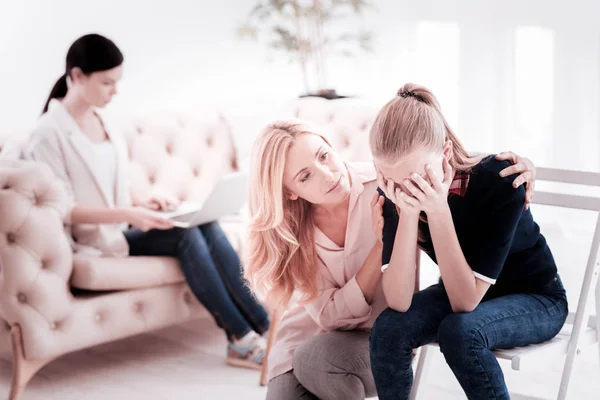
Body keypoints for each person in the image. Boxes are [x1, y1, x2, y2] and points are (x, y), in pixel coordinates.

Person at [23, 33, 269, 369]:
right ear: (77, 76)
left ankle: (266, 327)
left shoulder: (102, 119)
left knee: (203, 222)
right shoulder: (47, 133)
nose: (115, 91)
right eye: (107, 82)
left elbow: (112, 184)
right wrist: (128, 213)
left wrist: (145, 200)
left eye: (117, 82)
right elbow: (62, 208)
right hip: (94, 240)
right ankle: (240, 338)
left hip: (124, 224)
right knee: (186, 235)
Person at [245, 119, 537, 399]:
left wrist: (515, 165)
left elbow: (438, 158)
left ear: (330, 145)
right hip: (304, 336)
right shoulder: (292, 232)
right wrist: (379, 248)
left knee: (317, 361)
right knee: (293, 380)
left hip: (374, 337)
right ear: (289, 192)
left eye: (324, 156)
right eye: (305, 176)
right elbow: (332, 317)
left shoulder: (384, 185)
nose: (328, 174)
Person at [368, 83, 568, 400]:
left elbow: (465, 303)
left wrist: (437, 210)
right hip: (463, 290)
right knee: (389, 328)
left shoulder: (501, 180)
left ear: (444, 153)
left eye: (416, 178)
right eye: (393, 180)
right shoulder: (396, 193)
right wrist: (407, 213)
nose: (406, 189)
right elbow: (400, 300)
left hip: (535, 298)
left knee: (461, 332)